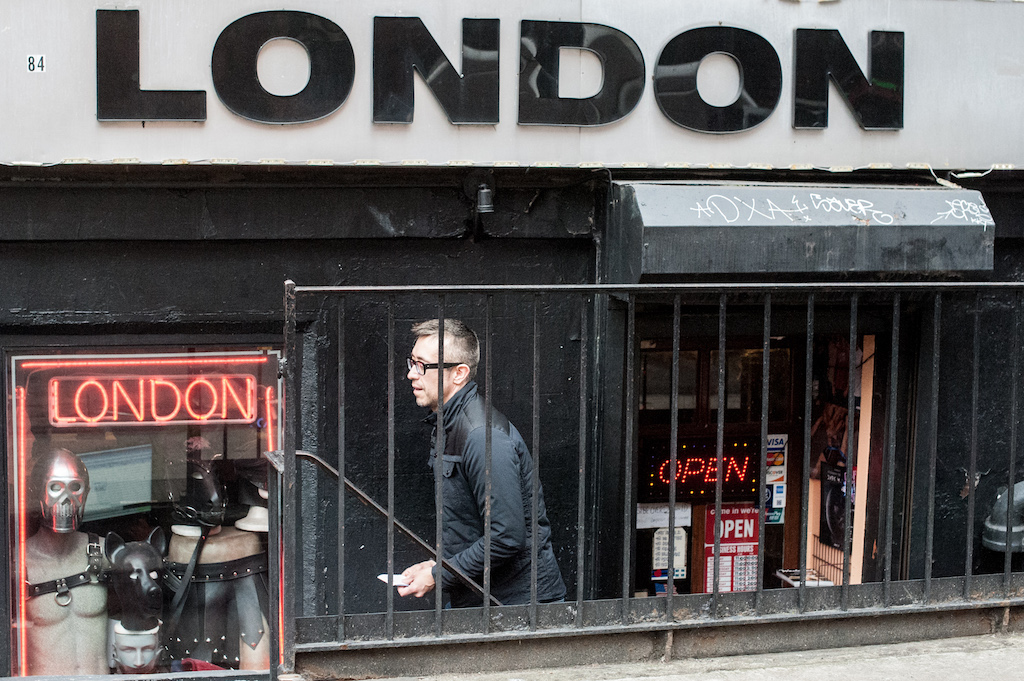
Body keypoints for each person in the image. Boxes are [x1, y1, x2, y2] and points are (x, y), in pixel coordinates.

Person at [398, 319, 566, 607]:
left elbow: (506, 537)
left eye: (422, 365)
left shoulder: (481, 436)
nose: (412, 374)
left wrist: (439, 575)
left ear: (459, 373)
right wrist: (435, 567)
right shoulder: (450, 423)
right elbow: (469, 528)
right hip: (484, 601)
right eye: (412, 362)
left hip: (517, 609)